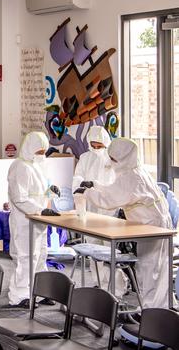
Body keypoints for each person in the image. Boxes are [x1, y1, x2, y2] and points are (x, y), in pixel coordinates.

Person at [77, 138, 172, 309]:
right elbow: (115, 189)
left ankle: (152, 316)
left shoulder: (131, 177)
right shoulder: (135, 171)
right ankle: (153, 310)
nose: (112, 163)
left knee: (151, 271)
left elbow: (109, 200)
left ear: (124, 158)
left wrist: (88, 192)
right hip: (153, 223)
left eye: (114, 159)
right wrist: (95, 185)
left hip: (152, 227)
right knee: (153, 269)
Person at [72, 126, 129, 296]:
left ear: (105, 144)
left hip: (109, 209)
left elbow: (117, 184)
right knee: (93, 246)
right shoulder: (85, 157)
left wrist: (99, 189)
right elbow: (78, 177)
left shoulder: (112, 159)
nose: (96, 149)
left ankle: (115, 285)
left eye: (99, 146)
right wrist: (80, 187)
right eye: (93, 145)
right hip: (91, 207)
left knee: (109, 249)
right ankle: (99, 282)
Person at [7, 131, 60, 308]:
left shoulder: (36, 165)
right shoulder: (19, 166)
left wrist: (49, 192)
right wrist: (40, 210)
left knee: (40, 255)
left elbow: (37, 193)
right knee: (25, 257)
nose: (41, 155)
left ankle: (40, 291)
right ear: (29, 149)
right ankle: (19, 295)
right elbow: (19, 198)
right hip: (24, 221)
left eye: (43, 152)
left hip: (38, 220)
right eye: (38, 152)